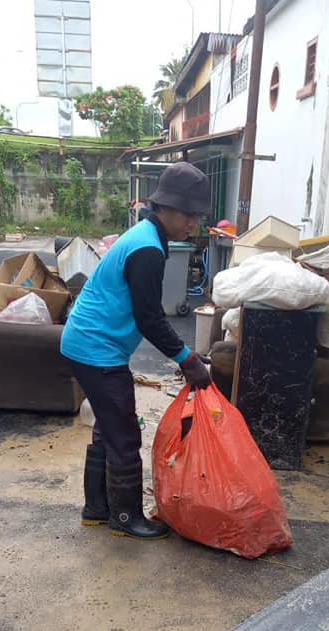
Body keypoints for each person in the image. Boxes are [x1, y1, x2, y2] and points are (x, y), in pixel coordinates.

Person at [60, 161, 212, 541]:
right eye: (188, 214)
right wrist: (187, 359)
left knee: (109, 428)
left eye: (197, 216)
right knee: (125, 434)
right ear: (166, 207)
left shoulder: (147, 237)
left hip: (88, 344)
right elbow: (150, 319)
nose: (193, 223)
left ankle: (97, 509)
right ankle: (125, 517)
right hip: (96, 348)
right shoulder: (147, 249)